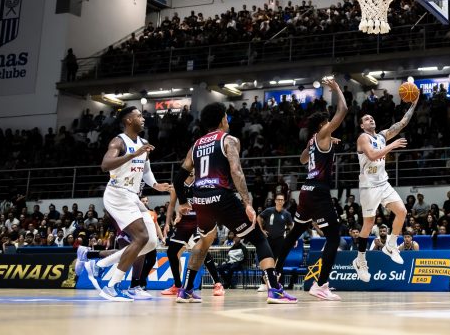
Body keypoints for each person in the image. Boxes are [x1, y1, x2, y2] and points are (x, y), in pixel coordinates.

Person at [172, 102, 296, 304]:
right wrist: (247, 203)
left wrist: (184, 201)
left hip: (200, 200)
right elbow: (236, 171)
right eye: (226, 116)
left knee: (204, 242)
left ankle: (185, 291)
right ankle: (275, 290)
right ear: (223, 119)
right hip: (221, 197)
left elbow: (178, 179)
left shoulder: (195, 146)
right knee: (259, 238)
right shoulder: (228, 140)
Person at [79, 106, 170, 301]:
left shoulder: (144, 143)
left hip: (132, 195)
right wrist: (132, 154)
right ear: (129, 120)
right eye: (139, 116)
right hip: (117, 194)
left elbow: (145, 170)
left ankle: (98, 265)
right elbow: (105, 165)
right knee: (141, 237)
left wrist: (156, 185)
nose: (143, 119)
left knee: (151, 242)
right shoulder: (118, 141)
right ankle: (111, 287)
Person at [274, 78, 347, 301]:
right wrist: (336, 89)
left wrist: (323, 140)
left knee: (295, 233)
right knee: (333, 237)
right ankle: (321, 285)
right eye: (327, 123)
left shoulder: (314, 139)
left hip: (305, 191)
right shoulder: (323, 134)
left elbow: (302, 158)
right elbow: (343, 110)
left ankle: (274, 274)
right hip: (318, 191)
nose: (330, 124)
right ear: (322, 125)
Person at [352, 96, 418, 282]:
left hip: (383, 183)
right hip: (368, 186)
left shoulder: (381, 136)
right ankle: (360, 260)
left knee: (402, 212)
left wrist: (413, 104)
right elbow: (372, 155)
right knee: (368, 223)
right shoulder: (363, 138)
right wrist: (392, 145)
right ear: (362, 125)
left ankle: (391, 245)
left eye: (372, 117)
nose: (370, 119)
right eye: (366, 119)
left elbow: (402, 123)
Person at [161, 169, 225, 297]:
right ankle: (177, 285)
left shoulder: (202, 183)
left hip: (199, 220)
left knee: (201, 251)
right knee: (172, 252)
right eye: (190, 167)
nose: (192, 169)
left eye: (194, 167)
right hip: (184, 222)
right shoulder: (178, 184)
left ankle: (218, 284)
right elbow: (172, 205)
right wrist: (167, 223)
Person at [258, 193, 293, 291]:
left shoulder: (286, 214)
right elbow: (258, 217)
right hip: (268, 239)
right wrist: (261, 229)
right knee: (267, 260)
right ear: (275, 201)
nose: (280, 201)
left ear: (284, 202)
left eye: (282, 200)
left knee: (279, 261)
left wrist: (293, 238)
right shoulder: (269, 211)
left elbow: (291, 226)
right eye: (278, 199)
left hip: (280, 240)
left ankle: (279, 283)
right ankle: (264, 284)